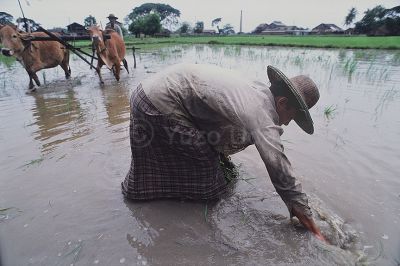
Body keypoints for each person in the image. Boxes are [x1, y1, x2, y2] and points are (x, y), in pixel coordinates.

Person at [122, 63, 326, 241]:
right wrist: (307, 219)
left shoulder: (256, 90)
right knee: (209, 182)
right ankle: (171, 204)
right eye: (293, 116)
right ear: (282, 103)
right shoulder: (261, 113)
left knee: (199, 154)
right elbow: (279, 169)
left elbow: (217, 121)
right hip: (158, 102)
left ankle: (154, 191)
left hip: (146, 92)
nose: (289, 123)